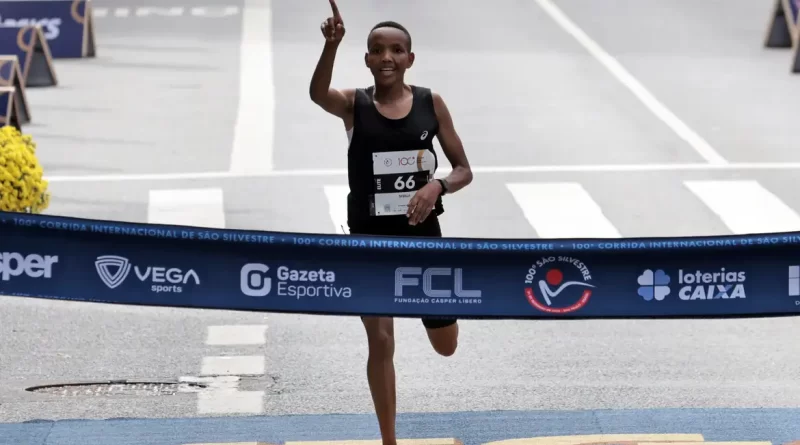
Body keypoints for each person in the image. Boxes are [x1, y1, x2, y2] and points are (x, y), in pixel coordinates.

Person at [309, 1, 474, 444]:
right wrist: (331, 45)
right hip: (370, 239)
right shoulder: (354, 105)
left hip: (422, 239)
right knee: (381, 341)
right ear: (366, 58)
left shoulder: (430, 103)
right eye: (378, 50)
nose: (387, 58)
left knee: (446, 346)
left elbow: (464, 170)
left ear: (409, 58)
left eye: (396, 50)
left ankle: (437, 321)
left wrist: (437, 186)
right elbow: (318, 94)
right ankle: (389, 440)